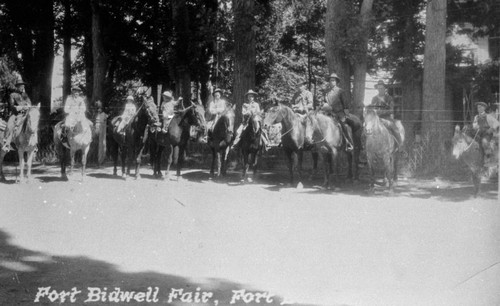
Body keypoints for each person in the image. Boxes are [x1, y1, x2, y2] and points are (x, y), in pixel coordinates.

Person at [320, 72, 353, 151]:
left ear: (336, 82)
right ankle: (319, 144)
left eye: (333, 80)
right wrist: (323, 106)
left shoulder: (340, 91)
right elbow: (323, 102)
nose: (332, 82)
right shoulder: (326, 92)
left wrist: (347, 114)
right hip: (328, 113)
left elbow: (345, 104)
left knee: (345, 126)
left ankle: (349, 143)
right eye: (330, 80)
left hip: (339, 113)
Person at [369, 80, 402, 148]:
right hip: (376, 119)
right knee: (367, 128)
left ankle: (400, 147)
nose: (380, 90)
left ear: (384, 89)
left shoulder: (389, 98)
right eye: (379, 88)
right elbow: (372, 109)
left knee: (394, 128)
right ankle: (365, 147)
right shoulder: (374, 99)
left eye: (381, 88)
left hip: (387, 118)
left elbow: (392, 110)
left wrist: (381, 112)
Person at [2, 77, 32, 151]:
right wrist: (18, 108)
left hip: (25, 114)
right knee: (9, 125)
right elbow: (11, 106)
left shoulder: (25, 95)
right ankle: (6, 142)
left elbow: (29, 103)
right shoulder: (13, 95)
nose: (22, 87)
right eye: (21, 86)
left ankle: (34, 144)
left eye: (23, 86)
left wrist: (27, 106)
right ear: (17, 87)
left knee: (33, 124)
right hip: (15, 114)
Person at [94, 100, 108, 166]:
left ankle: (101, 160)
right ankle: (95, 159)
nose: (99, 109)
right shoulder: (96, 115)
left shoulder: (104, 115)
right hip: (96, 130)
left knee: (102, 144)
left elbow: (104, 123)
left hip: (101, 131)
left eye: (100, 108)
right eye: (98, 108)